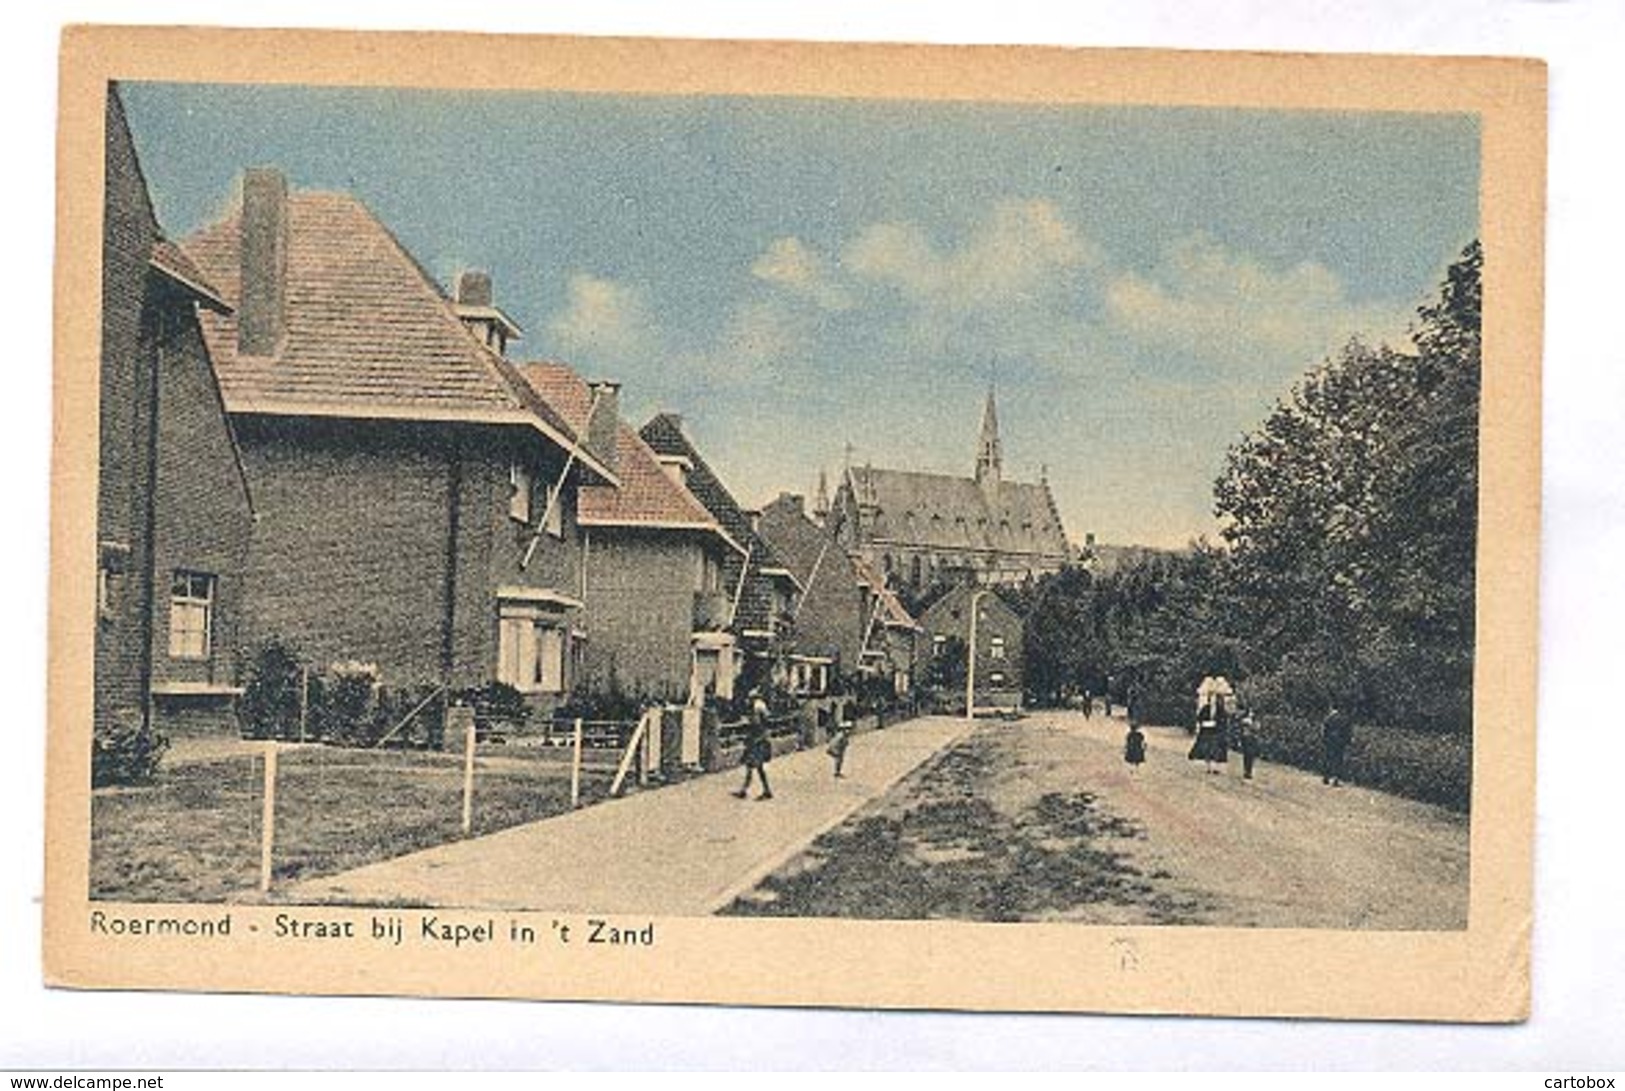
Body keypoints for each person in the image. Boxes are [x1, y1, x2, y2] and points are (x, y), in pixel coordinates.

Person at [734, 690, 774, 800]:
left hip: (758, 741)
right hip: (757, 740)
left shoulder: (758, 708)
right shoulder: (760, 708)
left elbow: (757, 724)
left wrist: (748, 722)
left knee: (756, 766)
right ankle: (745, 790)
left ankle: (765, 791)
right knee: (751, 766)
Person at [1189, 699, 1228, 774]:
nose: (1213, 702)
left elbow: (1224, 721)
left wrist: (1217, 724)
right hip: (1206, 732)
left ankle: (1216, 768)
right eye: (1212, 700)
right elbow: (1199, 718)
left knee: (1216, 751)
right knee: (1207, 750)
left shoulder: (1221, 710)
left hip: (1216, 733)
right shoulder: (1205, 708)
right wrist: (1204, 723)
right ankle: (1209, 767)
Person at [1322, 702, 1354, 787]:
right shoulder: (1344, 719)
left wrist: (1324, 740)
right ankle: (1336, 779)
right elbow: (1348, 732)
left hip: (1329, 741)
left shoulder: (1328, 718)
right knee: (1338, 760)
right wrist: (1348, 742)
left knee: (1328, 759)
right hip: (1340, 743)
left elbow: (1324, 731)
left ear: (1331, 708)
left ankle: (1326, 777)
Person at [1235, 709, 1260, 780]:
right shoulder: (1244, 720)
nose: (1251, 713)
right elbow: (1241, 730)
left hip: (1253, 739)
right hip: (1246, 738)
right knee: (1246, 755)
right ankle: (1246, 771)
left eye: (1252, 712)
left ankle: (1249, 771)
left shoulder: (1255, 721)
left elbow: (1257, 728)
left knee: (1251, 756)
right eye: (1250, 712)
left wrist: (1251, 725)